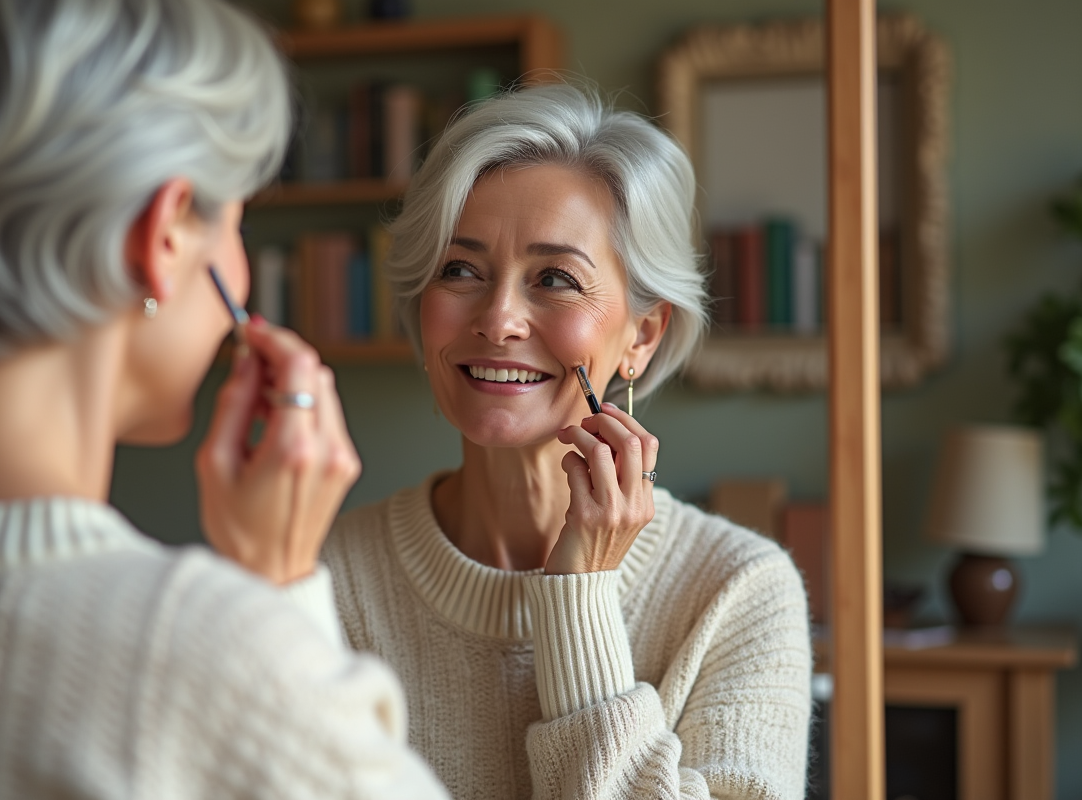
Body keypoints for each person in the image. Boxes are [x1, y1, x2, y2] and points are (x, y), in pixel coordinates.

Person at [0, 1, 448, 797]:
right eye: (237, 224)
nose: (236, 278)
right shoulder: (191, 653)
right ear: (166, 236)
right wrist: (279, 597)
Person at [321, 83, 814, 799]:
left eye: (554, 278)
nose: (498, 319)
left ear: (642, 337)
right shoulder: (327, 580)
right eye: (460, 269)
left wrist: (579, 598)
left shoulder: (738, 593)